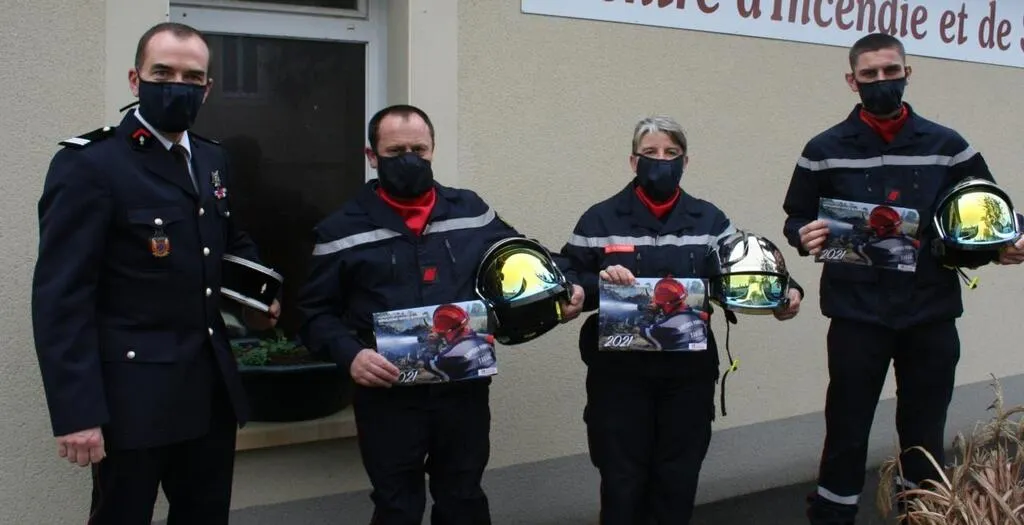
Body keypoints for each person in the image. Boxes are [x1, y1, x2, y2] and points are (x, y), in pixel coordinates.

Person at [31, 22, 280, 525]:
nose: (177, 86)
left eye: (192, 77)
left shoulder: (211, 158)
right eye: (162, 73)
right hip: (132, 401)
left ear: (207, 88)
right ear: (135, 79)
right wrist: (78, 413)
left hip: (208, 393)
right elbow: (62, 298)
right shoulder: (92, 164)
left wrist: (260, 297)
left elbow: (226, 242)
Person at [297, 104, 584, 525]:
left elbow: (523, 255)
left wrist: (568, 284)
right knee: (397, 507)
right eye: (395, 151)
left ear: (433, 149)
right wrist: (351, 355)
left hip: (462, 393)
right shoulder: (340, 230)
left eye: (419, 149)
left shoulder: (471, 210)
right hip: (388, 397)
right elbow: (313, 314)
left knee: (463, 498)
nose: (409, 159)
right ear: (372, 156)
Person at [781, 32, 1024, 525]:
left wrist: (1005, 244)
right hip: (856, 315)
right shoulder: (823, 149)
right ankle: (833, 515)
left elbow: (987, 213)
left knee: (925, 429)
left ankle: (923, 514)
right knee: (846, 428)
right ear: (852, 81)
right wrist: (802, 235)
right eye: (869, 74)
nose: (881, 81)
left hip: (930, 312)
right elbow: (796, 217)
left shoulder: (948, 146)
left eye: (891, 71)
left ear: (907, 73)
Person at [560, 115, 804, 525]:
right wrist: (595, 282)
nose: (661, 161)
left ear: (685, 162)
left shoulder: (709, 220)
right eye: (650, 153)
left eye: (671, 153)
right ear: (633, 161)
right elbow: (568, 275)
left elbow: (747, 264)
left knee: (677, 480)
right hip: (619, 376)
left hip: (687, 377)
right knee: (621, 482)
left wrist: (787, 291)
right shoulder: (599, 220)